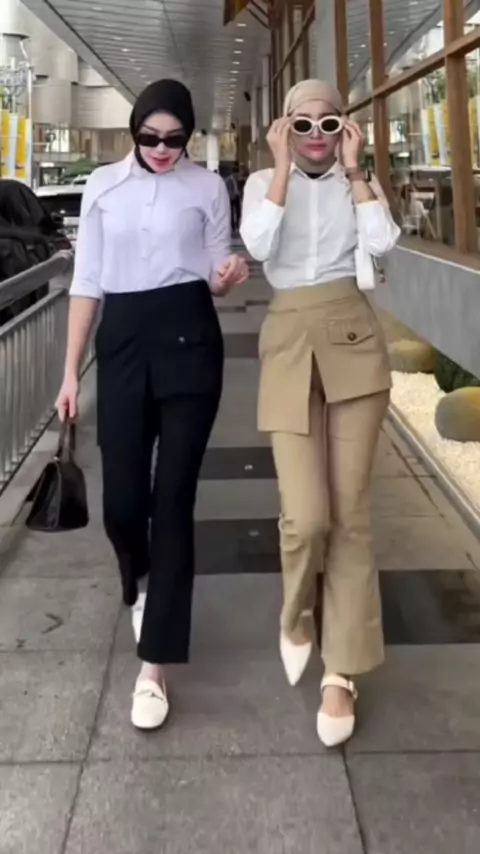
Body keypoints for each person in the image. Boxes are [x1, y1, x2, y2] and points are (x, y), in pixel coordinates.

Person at [55, 79, 248, 730]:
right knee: (122, 504)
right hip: (122, 343)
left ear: (188, 136)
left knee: (172, 502)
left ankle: (154, 666)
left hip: (190, 337)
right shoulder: (103, 186)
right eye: (149, 137)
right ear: (133, 131)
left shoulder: (207, 187)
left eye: (175, 139)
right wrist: (70, 373)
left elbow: (218, 271)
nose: (162, 149)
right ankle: (138, 579)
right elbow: (87, 282)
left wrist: (228, 274)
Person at [240, 79, 400, 747]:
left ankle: (342, 670)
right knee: (306, 517)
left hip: (353, 338)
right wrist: (280, 169)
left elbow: (383, 243)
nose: (314, 135)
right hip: (287, 342)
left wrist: (357, 172)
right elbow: (258, 246)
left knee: (350, 516)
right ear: (283, 128)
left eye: (327, 123)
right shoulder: (261, 183)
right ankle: (296, 614)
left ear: (344, 128)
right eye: (301, 124)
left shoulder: (356, 184)